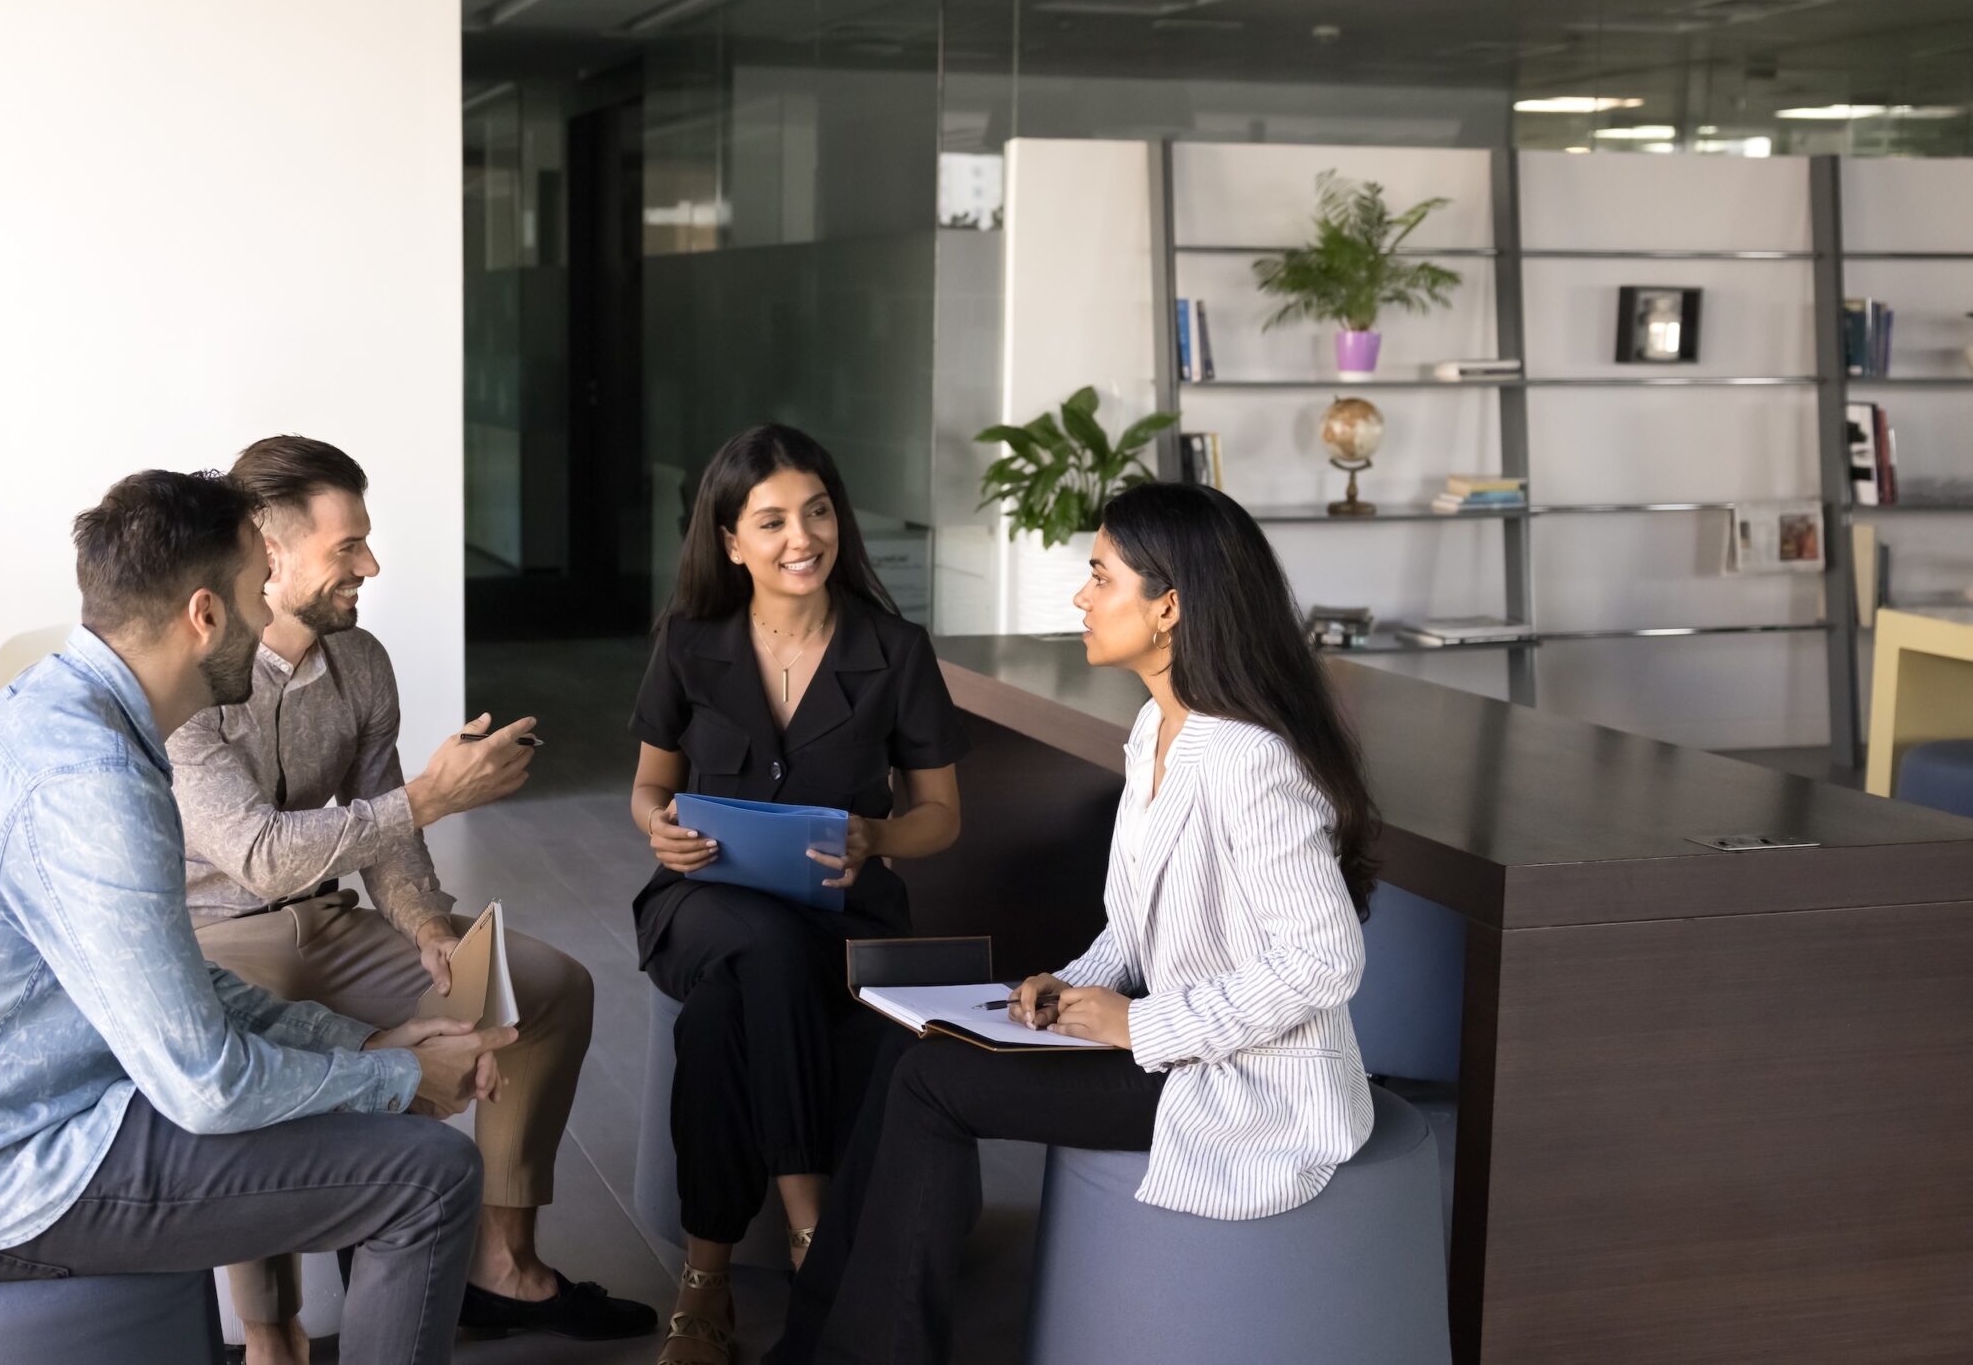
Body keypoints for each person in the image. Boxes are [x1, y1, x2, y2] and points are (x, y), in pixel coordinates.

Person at [0, 469, 515, 1365]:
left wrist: (363, 1048)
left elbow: (176, 984)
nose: (269, 626)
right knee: (434, 1176)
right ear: (206, 616)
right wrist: (401, 1082)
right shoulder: (93, 786)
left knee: (374, 1112)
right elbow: (205, 1086)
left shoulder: (48, 712)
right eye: (260, 597)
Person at [769, 481, 1381, 1365]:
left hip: (1248, 1080)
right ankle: (817, 1342)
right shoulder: (1156, 731)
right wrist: (1075, 982)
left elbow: (1325, 962)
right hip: (1177, 1046)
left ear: (1167, 607)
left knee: (929, 1086)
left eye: (1100, 577)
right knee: (911, 1050)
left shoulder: (1249, 760)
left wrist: (1139, 1022)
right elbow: (1132, 932)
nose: (1081, 598)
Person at [170, 435, 653, 1357]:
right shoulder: (193, 678)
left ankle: (502, 1267)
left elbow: (389, 840)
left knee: (548, 991)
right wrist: (434, 792)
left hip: (330, 924)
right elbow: (263, 857)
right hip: (213, 938)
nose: (370, 565)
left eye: (366, 541)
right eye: (346, 547)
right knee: (252, 1070)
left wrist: (429, 923)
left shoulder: (362, 664)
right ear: (267, 558)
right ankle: (275, 1335)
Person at [628, 424, 966, 1365]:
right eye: (770, 521)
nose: (800, 537)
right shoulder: (691, 645)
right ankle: (811, 1223)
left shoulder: (895, 651)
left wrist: (878, 837)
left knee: (723, 1011)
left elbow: (940, 814)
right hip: (697, 904)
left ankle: (706, 1279)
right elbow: (648, 787)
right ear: (730, 541)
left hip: (845, 920)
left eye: (816, 512)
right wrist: (658, 827)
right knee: (753, 947)